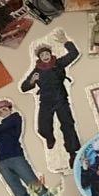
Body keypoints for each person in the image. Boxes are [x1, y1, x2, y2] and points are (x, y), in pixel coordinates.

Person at [19, 29, 81, 168]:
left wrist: (66, 42)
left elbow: (74, 54)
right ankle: (49, 137)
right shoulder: (37, 70)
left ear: (50, 54)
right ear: (39, 58)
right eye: (42, 55)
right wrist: (31, 81)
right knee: (42, 128)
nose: (45, 56)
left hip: (60, 99)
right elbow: (23, 87)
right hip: (46, 101)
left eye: (47, 54)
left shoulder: (58, 63)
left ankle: (73, 154)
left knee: (68, 125)